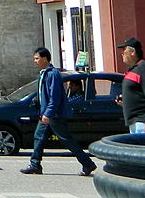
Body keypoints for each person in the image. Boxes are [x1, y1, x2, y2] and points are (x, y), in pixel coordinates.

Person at [19, 47, 96, 176]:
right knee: (39, 137)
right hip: (46, 114)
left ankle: (87, 164)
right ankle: (35, 164)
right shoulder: (44, 73)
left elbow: (55, 96)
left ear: (44, 59)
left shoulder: (52, 74)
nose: (35, 61)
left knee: (66, 139)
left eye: (37, 58)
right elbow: (42, 95)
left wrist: (48, 113)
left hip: (54, 115)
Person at [116, 37, 145, 133]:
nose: (122, 53)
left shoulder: (144, 68)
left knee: (144, 148)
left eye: (124, 50)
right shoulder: (134, 69)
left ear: (133, 52)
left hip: (143, 122)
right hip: (136, 122)